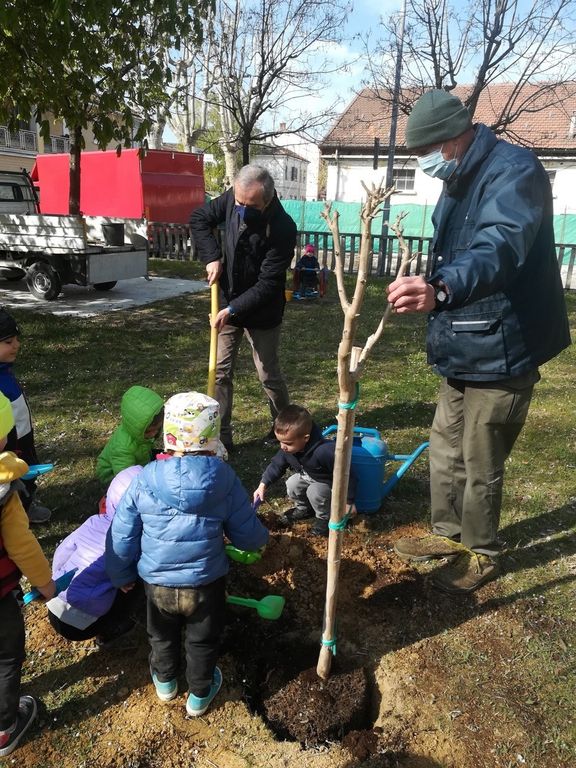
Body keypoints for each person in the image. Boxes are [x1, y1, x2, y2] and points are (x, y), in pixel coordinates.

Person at [387, 89, 571, 594]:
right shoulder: (460, 176)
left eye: (426, 151)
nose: (424, 162)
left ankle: (481, 552)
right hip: (463, 340)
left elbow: (499, 247)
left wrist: (441, 288)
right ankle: (446, 534)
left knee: (480, 458)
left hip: (504, 342)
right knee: (445, 448)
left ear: (452, 139)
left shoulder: (515, 172)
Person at [106, 392, 269, 716]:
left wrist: (120, 573)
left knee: (161, 636)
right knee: (202, 640)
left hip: (158, 584)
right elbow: (246, 532)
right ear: (212, 438)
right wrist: (258, 540)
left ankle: (166, 683)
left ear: (168, 434)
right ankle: (199, 694)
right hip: (205, 584)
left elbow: (122, 532)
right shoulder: (223, 478)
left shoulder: (145, 478)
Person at [190, 164, 297, 452]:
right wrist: (212, 257)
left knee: (268, 374)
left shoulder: (283, 228)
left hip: (263, 311)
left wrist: (233, 310)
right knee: (220, 371)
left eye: (251, 207)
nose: (242, 211)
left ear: (267, 200)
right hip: (228, 301)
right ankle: (222, 436)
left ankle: (286, 428)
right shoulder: (233, 198)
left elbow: (268, 283)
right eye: (239, 204)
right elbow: (199, 218)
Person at [0, 392, 56, 758]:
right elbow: (22, 546)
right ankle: (5, 728)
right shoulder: (4, 491)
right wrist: (46, 584)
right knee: (6, 656)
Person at [46, 465, 143, 645]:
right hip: (86, 622)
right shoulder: (136, 540)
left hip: (54, 604)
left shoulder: (93, 522)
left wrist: (55, 578)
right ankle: (110, 630)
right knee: (136, 585)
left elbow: (63, 551)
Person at [253, 404, 357, 537]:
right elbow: (276, 465)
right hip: (308, 476)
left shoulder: (324, 452)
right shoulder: (288, 448)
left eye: (288, 443)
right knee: (292, 483)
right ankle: (305, 509)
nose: (283, 447)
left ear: (306, 438)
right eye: (280, 442)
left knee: (315, 491)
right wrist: (263, 485)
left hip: (327, 484)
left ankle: (324, 517)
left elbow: (347, 475)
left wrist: (348, 501)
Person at [0, 308, 51, 524]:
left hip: (23, 434)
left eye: (16, 339)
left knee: (28, 471)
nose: (16, 345)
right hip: (8, 442)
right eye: (8, 342)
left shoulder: (5, 370)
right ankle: (13, 515)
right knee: (11, 478)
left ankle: (26, 505)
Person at [96, 385, 164, 484]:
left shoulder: (137, 432)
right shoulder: (123, 448)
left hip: (139, 462)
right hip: (114, 475)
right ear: (139, 429)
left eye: (157, 429)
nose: (154, 434)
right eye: (149, 431)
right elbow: (125, 477)